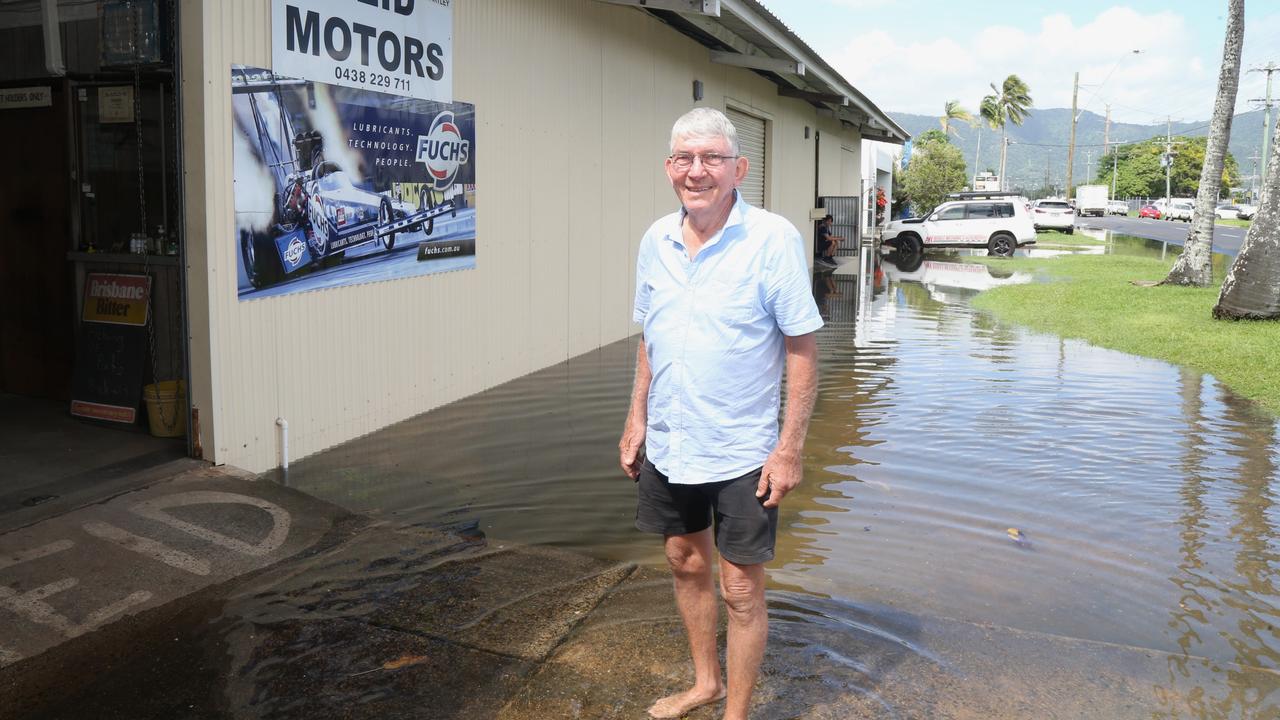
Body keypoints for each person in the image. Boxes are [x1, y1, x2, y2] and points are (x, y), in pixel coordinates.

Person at [618, 107, 823, 720]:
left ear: (739, 168)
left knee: (740, 587)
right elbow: (650, 338)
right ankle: (704, 684)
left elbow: (803, 346)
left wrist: (789, 448)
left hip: (743, 448)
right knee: (684, 561)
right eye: (685, 159)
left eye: (711, 159)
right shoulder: (655, 239)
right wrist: (636, 419)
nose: (697, 171)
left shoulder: (772, 239)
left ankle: (735, 714)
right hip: (672, 441)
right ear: (668, 168)